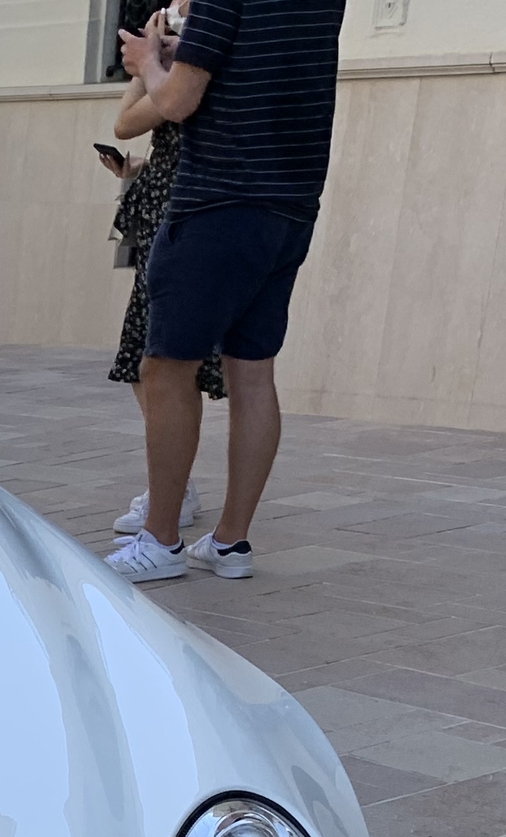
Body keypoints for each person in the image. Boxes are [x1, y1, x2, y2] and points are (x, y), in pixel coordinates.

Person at [106, 0, 346, 585]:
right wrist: (177, 56)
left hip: (218, 200)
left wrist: (145, 61)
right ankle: (231, 541)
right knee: (253, 374)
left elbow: (177, 101)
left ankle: (161, 539)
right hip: (290, 205)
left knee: (166, 369)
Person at [98, 103, 222, 538]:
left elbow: (126, 120)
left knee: (170, 365)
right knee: (144, 363)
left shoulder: (177, 78)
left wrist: (146, 62)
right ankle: (175, 483)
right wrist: (137, 169)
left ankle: (174, 490)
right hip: (159, 228)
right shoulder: (175, 84)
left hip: (184, 226)